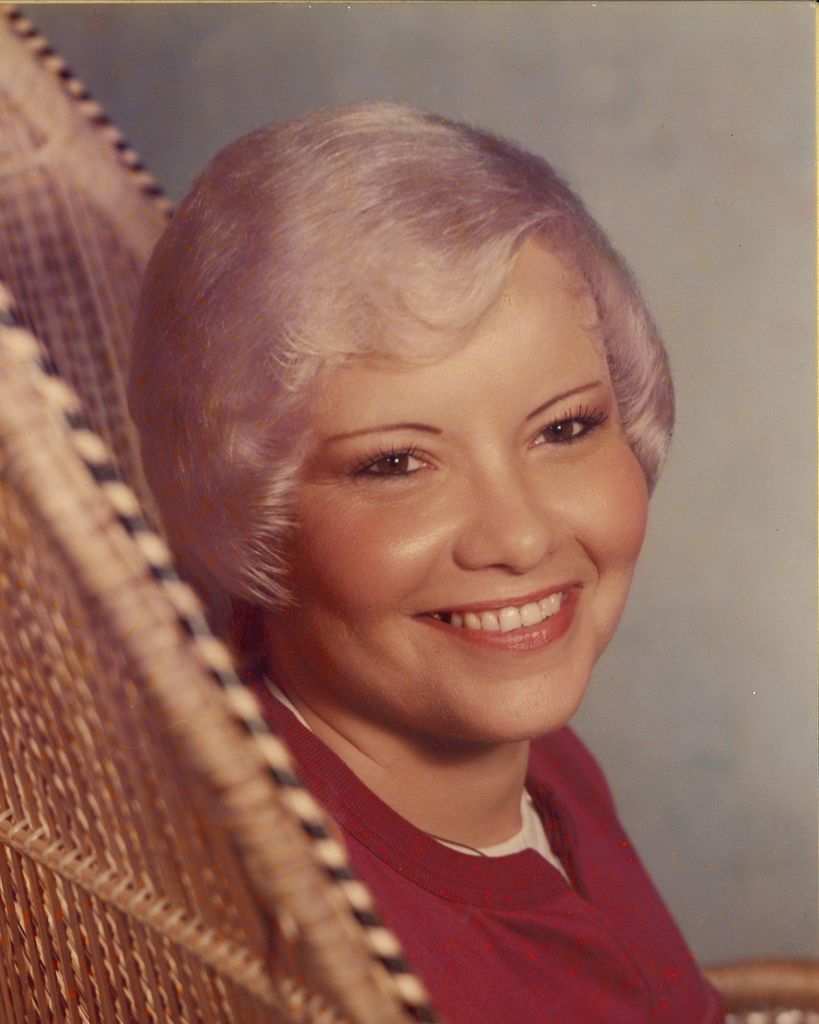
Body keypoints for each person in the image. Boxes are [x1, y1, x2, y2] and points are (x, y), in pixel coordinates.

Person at [127, 101, 723, 1023]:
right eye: (395, 464)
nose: (518, 538)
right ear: (247, 507)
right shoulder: (305, 954)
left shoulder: (533, 751)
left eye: (565, 428)